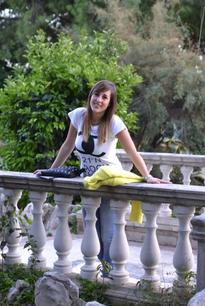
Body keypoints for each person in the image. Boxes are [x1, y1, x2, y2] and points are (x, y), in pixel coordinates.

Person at [35, 80, 168, 267]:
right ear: (91, 96)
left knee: (107, 234)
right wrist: (52, 170)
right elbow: (67, 146)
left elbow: (132, 152)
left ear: (110, 102)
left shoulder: (114, 123)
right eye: (96, 94)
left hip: (108, 182)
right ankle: (98, 274)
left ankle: (110, 273)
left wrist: (147, 176)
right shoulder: (79, 116)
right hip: (89, 182)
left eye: (104, 97)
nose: (99, 100)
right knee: (92, 230)